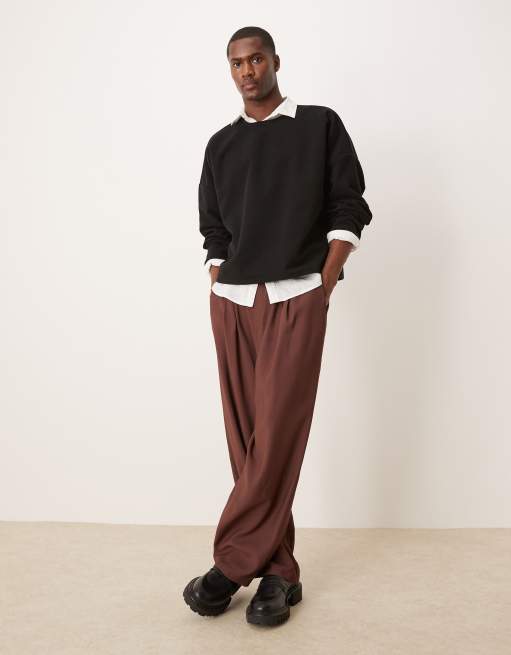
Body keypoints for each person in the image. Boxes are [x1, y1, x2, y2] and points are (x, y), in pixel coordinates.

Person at [183, 25, 373, 627]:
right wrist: (217, 273)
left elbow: (349, 203)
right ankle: (279, 572)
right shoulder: (220, 144)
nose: (247, 71)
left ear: (275, 61)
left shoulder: (319, 126)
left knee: (276, 435)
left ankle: (230, 564)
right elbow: (213, 224)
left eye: (256, 59)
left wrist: (326, 279)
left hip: (297, 294)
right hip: (233, 300)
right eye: (237, 63)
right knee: (247, 440)